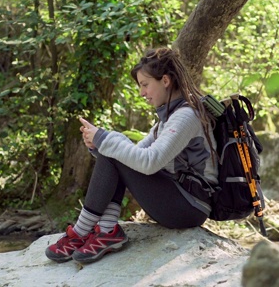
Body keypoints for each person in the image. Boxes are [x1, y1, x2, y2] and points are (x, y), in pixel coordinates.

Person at [45, 47, 218, 264]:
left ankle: (82, 231)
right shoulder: (169, 117)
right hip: (178, 199)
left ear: (165, 80)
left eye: (145, 85)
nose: (142, 93)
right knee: (113, 147)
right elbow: (131, 155)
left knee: (112, 146)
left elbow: (148, 162)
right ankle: (107, 231)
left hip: (190, 207)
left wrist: (104, 140)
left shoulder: (187, 116)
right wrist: (98, 145)